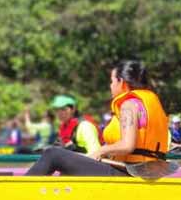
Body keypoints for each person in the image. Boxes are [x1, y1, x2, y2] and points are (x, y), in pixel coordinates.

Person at [26, 60, 169, 176]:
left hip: (130, 173)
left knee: (52, 154)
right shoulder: (149, 102)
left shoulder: (128, 105)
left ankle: (18, 193)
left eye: (112, 81)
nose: (110, 86)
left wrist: (100, 151)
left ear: (122, 82)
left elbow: (127, 145)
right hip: (148, 170)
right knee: (70, 163)